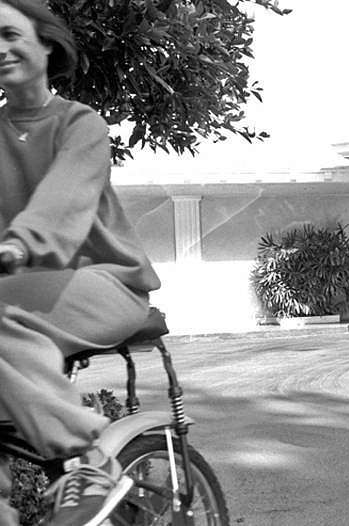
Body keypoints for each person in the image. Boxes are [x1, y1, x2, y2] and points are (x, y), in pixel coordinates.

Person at [0, 1, 161, 524]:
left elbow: (63, 199)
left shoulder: (81, 124)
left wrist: (20, 244)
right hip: (27, 292)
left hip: (106, 282)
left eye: (9, 33)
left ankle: (90, 460)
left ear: (46, 42)